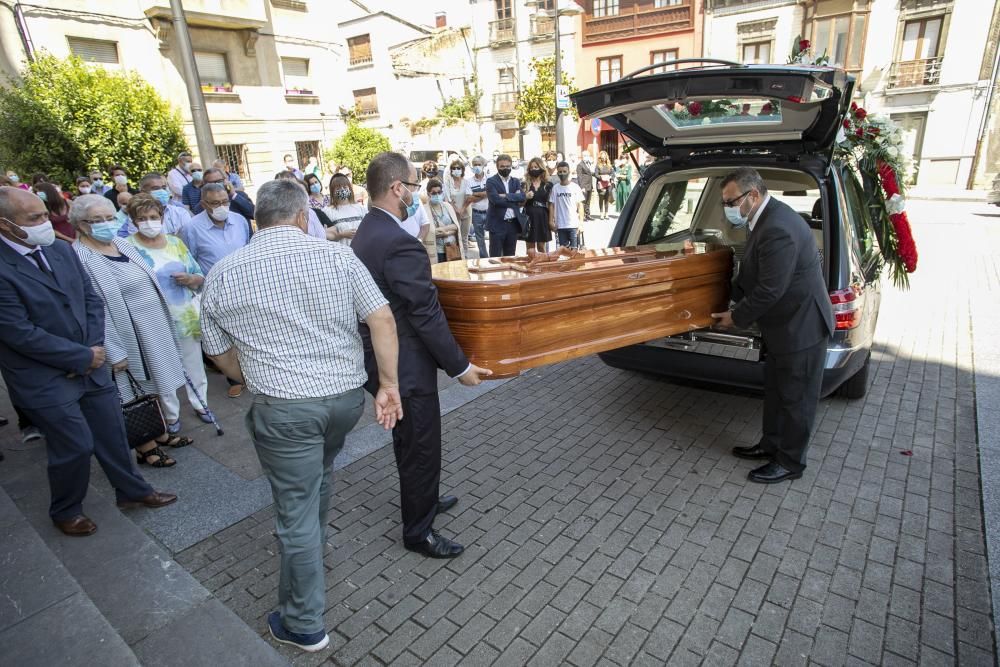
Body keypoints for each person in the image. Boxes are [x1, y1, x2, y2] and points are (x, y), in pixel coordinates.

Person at [199, 178, 402, 653]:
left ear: (257, 220)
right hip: (344, 401)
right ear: (301, 216)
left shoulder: (225, 272)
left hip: (285, 410)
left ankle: (304, 623)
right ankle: (315, 543)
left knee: (294, 514)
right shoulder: (337, 257)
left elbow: (216, 350)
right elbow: (382, 319)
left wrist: (246, 374)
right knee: (320, 472)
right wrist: (389, 385)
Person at [0, 187, 177, 535]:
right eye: (34, 219)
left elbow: (91, 300)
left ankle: (132, 491)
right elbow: (17, 332)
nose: (46, 223)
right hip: (45, 377)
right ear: (5, 225)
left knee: (113, 434)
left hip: (92, 365)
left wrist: (96, 348)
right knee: (75, 446)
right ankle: (66, 510)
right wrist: (80, 355)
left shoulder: (59, 249)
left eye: (44, 214)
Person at [352, 153, 492, 558]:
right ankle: (418, 531)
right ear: (397, 188)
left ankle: (424, 499)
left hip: (384, 360)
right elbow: (425, 313)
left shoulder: (369, 229)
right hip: (404, 365)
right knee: (421, 446)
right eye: (413, 185)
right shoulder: (398, 242)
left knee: (409, 443)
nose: (416, 192)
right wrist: (460, 365)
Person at [711, 167, 834, 484]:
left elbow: (770, 289)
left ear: (752, 195)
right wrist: (725, 295)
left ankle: (790, 463)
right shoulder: (763, 218)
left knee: (797, 400)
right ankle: (771, 445)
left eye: (730, 201)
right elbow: (754, 274)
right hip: (784, 327)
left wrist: (735, 316)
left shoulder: (777, 226)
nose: (728, 209)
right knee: (778, 394)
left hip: (802, 328)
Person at [72, 194, 192, 463]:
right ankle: (145, 447)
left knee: (154, 383)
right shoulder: (82, 256)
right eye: (97, 220)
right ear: (81, 225)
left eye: (109, 218)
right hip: (126, 336)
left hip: (153, 327)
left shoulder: (120, 243)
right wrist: (114, 352)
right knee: (131, 390)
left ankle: (158, 431)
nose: (106, 224)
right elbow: (95, 307)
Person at [126, 194, 214, 431]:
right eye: (142, 218)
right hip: (152, 319)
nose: (149, 222)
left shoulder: (176, 243)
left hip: (184, 316)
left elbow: (198, 275)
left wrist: (191, 279)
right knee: (162, 369)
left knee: (194, 364)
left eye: (153, 217)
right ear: (133, 221)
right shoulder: (127, 248)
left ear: (162, 217)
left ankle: (201, 403)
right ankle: (171, 414)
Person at [485, 154, 525, 257]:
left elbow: (522, 197)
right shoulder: (491, 181)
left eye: (507, 166)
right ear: (497, 167)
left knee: (510, 256)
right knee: (495, 257)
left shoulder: (515, 181)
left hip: (513, 224)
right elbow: (496, 200)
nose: (505, 168)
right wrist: (513, 199)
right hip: (497, 224)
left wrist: (505, 196)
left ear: (511, 166)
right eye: (502, 166)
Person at [136, 172, 192, 240]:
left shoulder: (180, 212)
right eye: (156, 188)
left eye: (164, 188)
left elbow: (189, 237)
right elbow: (140, 241)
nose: (162, 191)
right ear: (143, 192)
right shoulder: (137, 216)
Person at [421, 178, 465, 264]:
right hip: (437, 251)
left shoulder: (447, 206)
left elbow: (456, 226)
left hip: (452, 248)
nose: (437, 195)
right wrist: (448, 230)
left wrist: (444, 232)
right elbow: (431, 232)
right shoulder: (424, 209)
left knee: (453, 275)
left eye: (439, 192)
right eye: (434, 193)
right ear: (428, 194)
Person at [323, 173, 366, 245]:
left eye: (345, 187)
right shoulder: (327, 211)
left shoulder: (360, 208)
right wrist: (341, 235)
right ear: (332, 191)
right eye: (338, 188)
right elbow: (324, 235)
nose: (342, 190)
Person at [522, 157, 553, 253]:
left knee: (541, 247)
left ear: (541, 168)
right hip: (529, 216)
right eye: (531, 168)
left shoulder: (548, 185)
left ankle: (544, 267)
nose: (533, 169)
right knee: (530, 248)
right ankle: (531, 266)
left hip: (542, 216)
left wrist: (551, 220)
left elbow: (551, 204)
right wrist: (526, 197)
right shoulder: (525, 184)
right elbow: (520, 204)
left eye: (536, 167)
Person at [550, 161, 584, 249]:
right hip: (560, 225)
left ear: (568, 172)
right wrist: (551, 221)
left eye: (564, 171)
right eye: (560, 172)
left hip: (573, 225)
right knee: (563, 251)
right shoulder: (555, 188)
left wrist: (581, 223)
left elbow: (580, 205)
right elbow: (552, 205)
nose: (562, 174)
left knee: (574, 251)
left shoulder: (575, 187)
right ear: (557, 173)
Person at [463, 156, 489, 258]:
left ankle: (494, 258)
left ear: (483, 165)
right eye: (475, 164)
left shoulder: (490, 179)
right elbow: (469, 198)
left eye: (479, 164)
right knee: (479, 238)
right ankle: (484, 258)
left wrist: (475, 193)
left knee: (494, 236)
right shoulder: (469, 181)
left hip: (490, 212)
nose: (477, 167)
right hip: (476, 212)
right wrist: (485, 193)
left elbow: (492, 193)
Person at [442, 158, 470, 249]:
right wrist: (456, 209)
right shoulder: (448, 182)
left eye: (458, 168)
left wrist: (462, 209)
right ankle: (456, 257)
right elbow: (447, 198)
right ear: (451, 170)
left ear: (462, 170)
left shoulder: (466, 182)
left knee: (464, 237)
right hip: (453, 214)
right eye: (454, 168)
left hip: (466, 212)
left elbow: (469, 197)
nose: (456, 170)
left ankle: (465, 257)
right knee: (455, 237)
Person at [595, 151, 615, 220]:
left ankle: (606, 213)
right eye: (602, 157)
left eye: (605, 157)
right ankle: (601, 214)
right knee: (601, 199)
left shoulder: (609, 165)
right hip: (600, 184)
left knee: (606, 199)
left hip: (608, 184)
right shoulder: (598, 165)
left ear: (607, 157)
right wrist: (601, 177)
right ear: (600, 158)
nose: (603, 159)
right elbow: (596, 174)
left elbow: (613, 173)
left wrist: (611, 178)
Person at [576, 151, 595, 221]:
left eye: (588, 155)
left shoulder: (589, 164)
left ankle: (588, 214)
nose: (587, 157)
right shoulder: (580, 165)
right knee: (583, 201)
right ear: (582, 156)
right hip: (584, 186)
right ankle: (582, 215)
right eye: (585, 155)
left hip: (589, 185)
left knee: (588, 201)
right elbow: (579, 177)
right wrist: (582, 187)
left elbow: (591, 173)